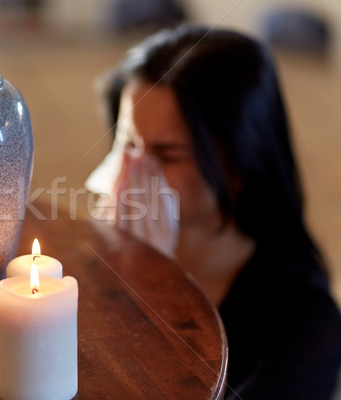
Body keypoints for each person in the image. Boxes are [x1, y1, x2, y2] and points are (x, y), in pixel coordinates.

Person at [87, 24, 341, 399]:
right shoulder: (108, 248)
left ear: (239, 166)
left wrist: (151, 292)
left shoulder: (304, 326)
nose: (132, 172)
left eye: (167, 154)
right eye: (128, 143)